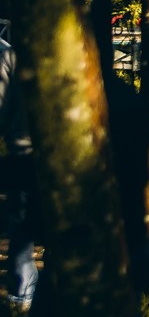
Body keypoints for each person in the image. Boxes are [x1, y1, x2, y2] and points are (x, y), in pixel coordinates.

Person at [0, 36, 36, 311]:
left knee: (21, 224)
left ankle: (23, 294)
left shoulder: (7, 55)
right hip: (58, 151)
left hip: (22, 150)